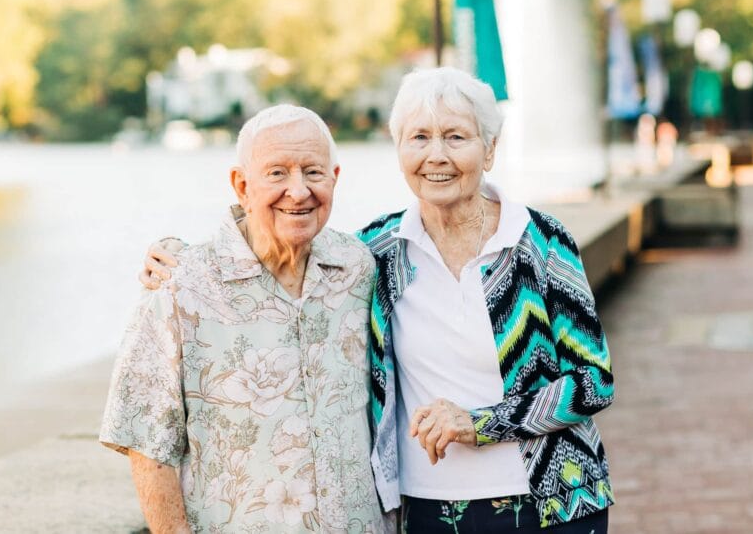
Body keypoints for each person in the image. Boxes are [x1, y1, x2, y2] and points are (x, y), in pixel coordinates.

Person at [142, 68, 615, 532]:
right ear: (399, 151)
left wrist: (481, 424)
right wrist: (182, 258)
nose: (436, 156)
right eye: (420, 138)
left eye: (456, 138)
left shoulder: (544, 241)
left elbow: (595, 381)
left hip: (555, 502)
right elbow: (284, 234)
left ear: (489, 150)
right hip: (427, 508)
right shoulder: (376, 251)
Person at [101, 105, 387, 533]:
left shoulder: (358, 267)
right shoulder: (182, 287)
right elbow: (146, 443)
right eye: (277, 173)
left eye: (313, 172)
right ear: (241, 185)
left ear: (335, 178)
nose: (298, 191)